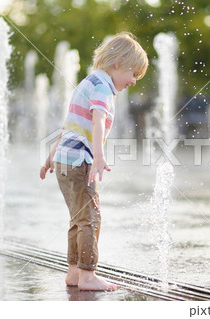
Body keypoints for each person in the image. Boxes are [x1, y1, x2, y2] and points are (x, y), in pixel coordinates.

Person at [40, 32, 148, 291]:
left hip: (65, 161)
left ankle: (74, 272)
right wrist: (98, 154)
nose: (133, 81)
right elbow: (98, 119)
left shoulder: (88, 82)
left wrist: (50, 157)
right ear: (119, 62)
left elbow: (69, 126)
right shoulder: (103, 87)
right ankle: (88, 275)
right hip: (79, 163)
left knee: (78, 218)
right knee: (91, 217)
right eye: (133, 74)